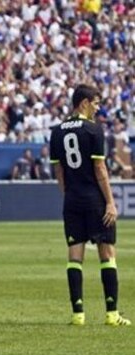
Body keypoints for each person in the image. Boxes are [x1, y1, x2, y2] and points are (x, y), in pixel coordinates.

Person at [49, 84, 130, 327]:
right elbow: (100, 169)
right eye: (95, 103)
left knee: (75, 255)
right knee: (107, 253)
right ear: (83, 103)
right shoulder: (94, 130)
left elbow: (59, 172)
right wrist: (110, 202)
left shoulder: (57, 131)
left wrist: (68, 195)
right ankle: (112, 314)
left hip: (72, 200)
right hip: (94, 199)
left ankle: (78, 314)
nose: (98, 108)